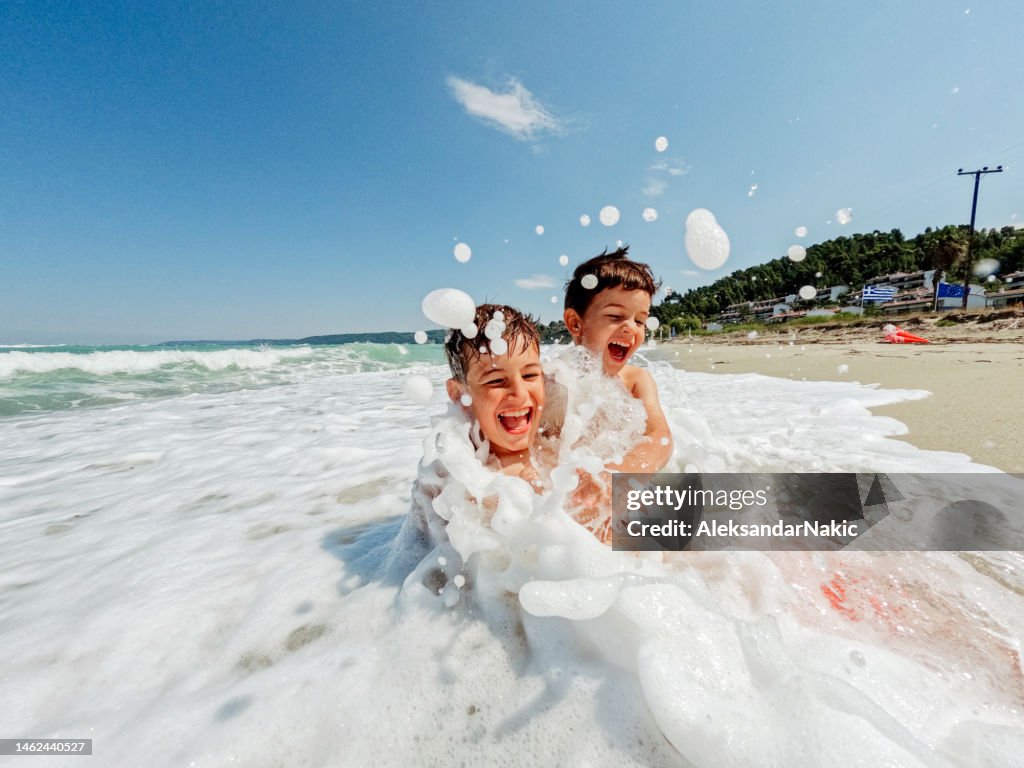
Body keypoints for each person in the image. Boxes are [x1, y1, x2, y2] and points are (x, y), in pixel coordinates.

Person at [562, 246, 673, 473]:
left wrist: (620, 474)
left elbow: (659, 435)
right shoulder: (556, 381)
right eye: (615, 316)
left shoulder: (636, 381)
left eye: (640, 321)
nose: (631, 328)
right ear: (575, 323)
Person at [443, 304, 552, 486]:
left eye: (530, 375)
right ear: (458, 393)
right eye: (496, 380)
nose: (519, 393)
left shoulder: (563, 440)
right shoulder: (464, 479)